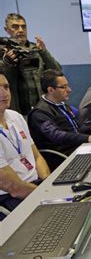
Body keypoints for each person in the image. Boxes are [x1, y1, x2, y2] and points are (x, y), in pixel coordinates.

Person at [0, 70, 50, 220]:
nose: (4, 93)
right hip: (11, 197)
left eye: (6, 87)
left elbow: (36, 156)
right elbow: (14, 188)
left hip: (35, 186)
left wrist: (48, 182)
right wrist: (47, 195)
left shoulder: (15, 117)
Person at [28, 69, 91, 156]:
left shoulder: (63, 105)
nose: (69, 90)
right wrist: (89, 138)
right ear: (51, 90)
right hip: (62, 156)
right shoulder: (39, 113)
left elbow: (75, 129)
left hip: (77, 148)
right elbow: (57, 135)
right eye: (63, 87)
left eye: (67, 86)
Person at [0, 13, 62, 115]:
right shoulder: (3, 52)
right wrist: (7, 62)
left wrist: (43, 52)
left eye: (23, 26)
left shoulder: (36, 49)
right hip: (17, 109)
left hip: (42, 108)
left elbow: (57, 71)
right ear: (6, 30)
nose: (20, 30)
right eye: (15, 27)